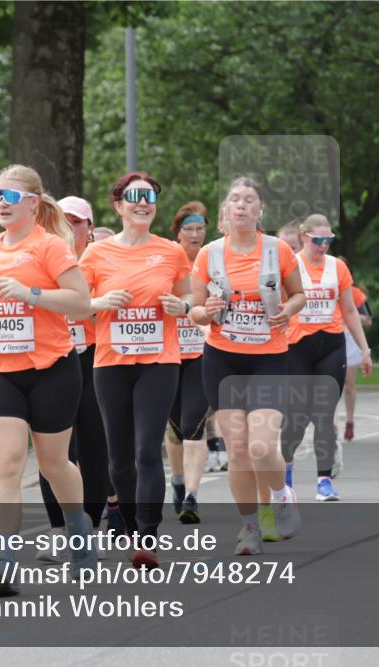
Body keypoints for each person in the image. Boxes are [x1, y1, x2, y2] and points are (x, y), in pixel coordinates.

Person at [0, 164, 94, 595]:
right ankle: (2, 563)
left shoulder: (51, 247)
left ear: (33, 204)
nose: (1, 202)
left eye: (11, 196)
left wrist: (32, 294)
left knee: (56, 465)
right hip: (2, 369)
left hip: (52, 369)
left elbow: (81, 302)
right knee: (4, 465)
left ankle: (79, 535)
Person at [79, 171, 192, 569]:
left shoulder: (171, 252)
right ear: (119, 205)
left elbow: (190, 295)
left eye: (149, 197)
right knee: (119, 459)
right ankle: (127, 524)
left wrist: (185, 307)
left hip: (159, 361)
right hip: (111, 363)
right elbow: (76, 305)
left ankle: (147, 534)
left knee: (147, 451)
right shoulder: (94, 254)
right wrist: (101, 301)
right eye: (134, 197)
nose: (142, 203)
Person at [189, 176, 306, 555]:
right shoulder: (209, 254)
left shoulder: (278, 251)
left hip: (268, 356)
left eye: (249, 200)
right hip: (222, 357)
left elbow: (299, 295)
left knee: (259, 446)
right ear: (226, 210)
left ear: (259, 211)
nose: (241, 205)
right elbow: (195, 311)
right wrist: (203, 311)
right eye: (235, 199)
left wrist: (287, 309)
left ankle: (280, 494)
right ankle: (249, 527)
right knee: (237, 448)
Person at [32, 196, 112, 562]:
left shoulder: (102, 260)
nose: (69, 226)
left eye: (77, 221)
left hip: (94, 357)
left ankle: (91, 526)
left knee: (95, 447)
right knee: (54, 452)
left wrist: (92, 306)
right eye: (62, 219)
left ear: (89, 227)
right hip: (50, 358)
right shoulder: (39, 257)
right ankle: (58, 529)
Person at [280, 214, 373, 501]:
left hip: (331, 345)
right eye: (319, 240)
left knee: (323, 415)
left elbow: (348, 311)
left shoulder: (338, 267)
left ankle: (324, 481)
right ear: (304, 237)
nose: (324, 246)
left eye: (329, 240)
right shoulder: (290, 265)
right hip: (297, 346)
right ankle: (285, 476)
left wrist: (365, 349)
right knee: (296, 418)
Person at [165, 202, 213, 523]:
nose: (195, 234)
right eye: (188, 229)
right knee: (175, 429)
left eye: (199, 228)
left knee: (195, 424)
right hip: (167, 354)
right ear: (178, 232)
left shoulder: (213, 261)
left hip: (202, 354)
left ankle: (192, 496)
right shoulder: (166, 260)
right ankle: (179, 480)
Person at [340, 277, 373, 445]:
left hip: (351, 340)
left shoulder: (356, 293)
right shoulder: (322, 287)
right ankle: (329, 424)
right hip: (332, 338)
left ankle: (350, 420)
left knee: (348, 385)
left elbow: (368, 319)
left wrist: (349, 316)